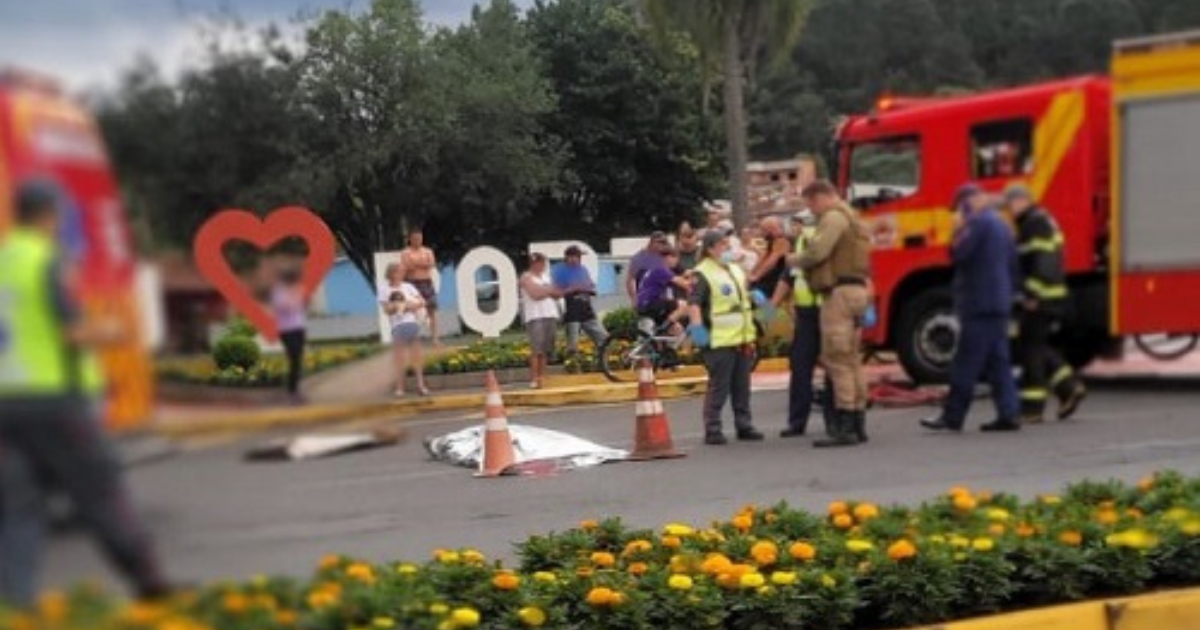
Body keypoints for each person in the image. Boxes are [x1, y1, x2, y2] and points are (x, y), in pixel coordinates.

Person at [0, 179, 172, 607]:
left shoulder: (3, 260)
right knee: (102, 493)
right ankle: (150, 584)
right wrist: (113, 331)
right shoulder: (46, 259)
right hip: (56, 400)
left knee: (18, 511)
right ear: (49, 215)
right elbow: (73, 330)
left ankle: (16, 606)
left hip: (7, 404)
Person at [920, 184, 1021, 433]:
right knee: (999, 362)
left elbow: (960, 254)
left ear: (968, 203)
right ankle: (1009, 413)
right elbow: (1013, 264)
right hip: (998, 302)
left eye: (959, 209)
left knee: (966, 361)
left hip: (979, 303)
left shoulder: (976, 224)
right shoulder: (1001, 225)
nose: (959, 214)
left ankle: (953, 416)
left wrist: (957, 232)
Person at [791, 180, 872, 448]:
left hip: (838, 295)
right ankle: (858, 421)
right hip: (856, 291)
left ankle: (845, 425)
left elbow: (819, 251)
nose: (812, 211)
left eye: (811, 204)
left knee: (837, 359)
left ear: (822, 197)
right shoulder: (853, 218)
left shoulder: (834, 218)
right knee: (852, 359)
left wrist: (795, 260)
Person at [1004, 184, 1087, 423]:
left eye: (1011, 203)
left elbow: (1043, 263)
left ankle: (1032, 408)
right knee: (1035, 345)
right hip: (1050, 295)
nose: (1009, 210)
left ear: (1021, 200)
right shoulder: (1040, 221)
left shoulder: (1034, 224)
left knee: (1030, 350)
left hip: (1042, 298)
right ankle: (1068, 387)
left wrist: (1031, 295)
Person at [687, 230, 766, 445]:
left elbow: (739, 295)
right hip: (717, 339)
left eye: (728, 246)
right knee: (719, 386)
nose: (728, 250)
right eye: (724, 246)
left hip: (741, 338)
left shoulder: (734, 269)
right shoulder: (701, 273)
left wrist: (755, 299)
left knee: (742, 385)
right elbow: (693, 302)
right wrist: (697, 329)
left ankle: (744, 425)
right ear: (711, 249)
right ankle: (713, 428)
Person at [773, 208, 833, 438]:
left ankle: (834, 421)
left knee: (830, 369)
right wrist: (765, 317)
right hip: (807, 315)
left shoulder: (824, 242)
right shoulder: (800, 246)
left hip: (828, 312)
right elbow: (787, 280)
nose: (799, 230)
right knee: (800, 368)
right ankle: (797, 422)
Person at [379, 262, 430, 397]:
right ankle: (400, 388)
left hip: (411, 323)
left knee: (416, 358)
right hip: (397, 327)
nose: (402, 274)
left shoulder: (408, 287)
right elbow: (387, 310)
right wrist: (403, 306)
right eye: (399, 271)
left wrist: (403, 306)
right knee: (399, 359)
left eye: (402, 271)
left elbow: (422, 302)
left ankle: (421, 386)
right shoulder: (384, 289)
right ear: (391, 274)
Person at [553, 246, 608, 357]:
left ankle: (602, 361)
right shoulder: (561, 272)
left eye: (578, 257)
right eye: (575, 256)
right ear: (568, 257)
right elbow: (557, 292)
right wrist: (574, 288)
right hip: (572, 310)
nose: (577, 259)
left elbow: (590, 286)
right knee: (573, 344)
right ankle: (572, 365)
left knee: (603, 337)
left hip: (586, 308)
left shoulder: (583, 269)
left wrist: (585, 288)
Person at [521, 253, 562, 389]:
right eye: (538, 263)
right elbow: (535, 294)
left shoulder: (546, 277)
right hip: (535, 316)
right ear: (533, 264)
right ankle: (533, 378)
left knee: (546, 350)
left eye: (542, 263)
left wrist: (547, 290)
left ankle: (543, 377)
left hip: (550, 314)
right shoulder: (526, 277)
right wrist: (548, 290)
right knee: (536, 350)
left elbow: (558, 294)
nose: (541, 265)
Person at [270, 260, 307, 403]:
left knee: (297, 359)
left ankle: (294, 389)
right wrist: (292, 297)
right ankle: (292, 390)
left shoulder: (296, 288)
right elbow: (285, 307)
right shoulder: (278, 290)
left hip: (298, 327)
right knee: (294, 359)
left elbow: (300, 305)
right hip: (286, 329)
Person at [400, 228, 441, 346]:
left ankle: (435, 339)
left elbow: (431, 264)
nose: (418, 240)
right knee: (413, 312)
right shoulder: (405, 252)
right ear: (410, 239)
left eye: (420, 238)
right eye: (415, 238)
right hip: (411, 283)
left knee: (432, 310)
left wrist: (417, 264)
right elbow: (407, 266)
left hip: (427, 282)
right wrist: (421, 264)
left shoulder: (428, 251)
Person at [637, 245, 691, 333]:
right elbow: (683, 283)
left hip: (646, 304)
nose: (677, 261)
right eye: (675, 257)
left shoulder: (655, 268)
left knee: (678, 330)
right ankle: (663, 328)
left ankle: (664, 340)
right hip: (651, 304)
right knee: (685, 305)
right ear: (667, 257)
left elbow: (679, 279)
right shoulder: (661, 269)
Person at [625, 231, 670, 305]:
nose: (662, 245)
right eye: (660, 242)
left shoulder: (663, 257)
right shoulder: (638, 258)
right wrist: (634, 298)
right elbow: (630, 280)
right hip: (645, 299)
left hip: (661, 299)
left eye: (664, 243)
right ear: (652, 242)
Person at [750, 216, 790, 297]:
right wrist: (752, 273)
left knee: (758, 296)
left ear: (771, 229)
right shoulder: (772, 241)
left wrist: (756, 276)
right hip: (771, 279)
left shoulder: (781, 240)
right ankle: (767, 309)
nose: (761, 233)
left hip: (779, 280)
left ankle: (769, 310)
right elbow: (763, 258)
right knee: (754, 292)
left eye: (763, 230)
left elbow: (772, 261)